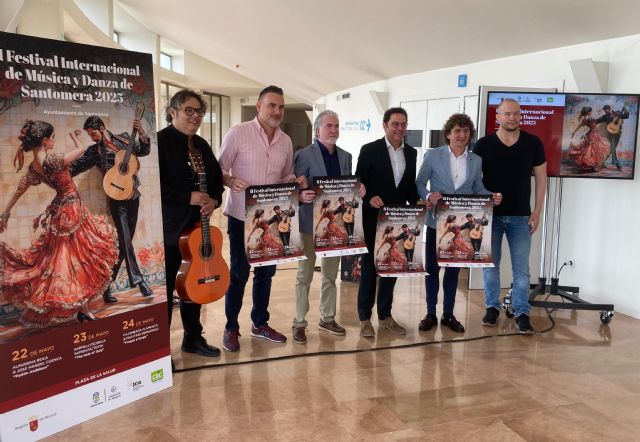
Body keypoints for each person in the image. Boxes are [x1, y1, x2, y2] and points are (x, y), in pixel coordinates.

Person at [0, 121, 118, 327]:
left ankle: (83, 309)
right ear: (45, 140)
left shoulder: (34, 167)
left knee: (73, 260)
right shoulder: (53, 160)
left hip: (61, 211)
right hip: (72, 210)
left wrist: (6, 212)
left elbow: (20, 189)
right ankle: (83, 310)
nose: (54, 140)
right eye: (53, 137)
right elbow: (82, 149)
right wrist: (74, 138)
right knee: (77, 259)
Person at [219, 85, 307, 352]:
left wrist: (295, 182)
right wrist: (229, 180)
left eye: (281, 107)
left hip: (272, 218)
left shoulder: (286, 141)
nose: (277, 111)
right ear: (259, 106)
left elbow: (285, 176)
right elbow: (219, 168)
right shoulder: (238, 133)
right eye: (272, 105)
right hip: (240, 217)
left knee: (266, 274)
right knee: (238, 274)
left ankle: (259, 324)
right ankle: (231, 328)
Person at [416, 113, 501, 333]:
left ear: (470, 135)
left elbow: (477, 188)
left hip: (461, 223)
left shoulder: (476, 160)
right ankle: (430, 313)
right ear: (448, 134)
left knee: (453, 271)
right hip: (436, 222)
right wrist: (428, 196)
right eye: (457, 131)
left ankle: (448, 314)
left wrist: (491, 196)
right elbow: (419, 182)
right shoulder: (433, 155)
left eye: (465, 131)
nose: (461, 135)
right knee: (432, 269)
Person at [158, 89, 224, 357]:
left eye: (199, 112)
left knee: (195, 285)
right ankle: (161, 352)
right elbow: (152, 185)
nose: (195, 116)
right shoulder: (159, 143)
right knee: (165, 293)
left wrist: (214, 201)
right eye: (189, 110)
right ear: (172, 112)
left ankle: (192, 338)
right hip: (169, 231)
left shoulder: (201, 145)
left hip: (198, 231)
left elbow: (217, 182)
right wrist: (187, 196)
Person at [473, 98, 546, 334]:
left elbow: (542, 179)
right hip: (489, 217)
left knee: (522, 270)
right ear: (498, 117)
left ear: (520, 116)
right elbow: (473, 180)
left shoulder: (533, 143)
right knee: (490, 267)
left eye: (516, 113)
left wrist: (537, 211)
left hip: (521, 217)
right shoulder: (483, 144)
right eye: (507, 114)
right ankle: (492, 308)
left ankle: (522, 312)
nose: (512, 118)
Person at [292, 110, 366, 343]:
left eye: (336, 126)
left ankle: (327, 318)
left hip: (335, 227)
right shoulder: (303, 155)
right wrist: (300, 194)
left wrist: (359, 188)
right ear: (317, 130)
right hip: (308, 224)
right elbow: (294, 188)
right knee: (304, 275)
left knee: (330, 275)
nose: (334, 130)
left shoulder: (345, 156)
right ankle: (299, 323)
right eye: (329, 126)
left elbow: (346, 188)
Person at [70, 114, 153, 303]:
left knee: (125, 245)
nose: (92, 138)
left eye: (93, 134)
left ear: (102, 128)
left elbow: (143, 151)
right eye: (90, 135)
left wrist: (141, 132)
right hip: (116, 200)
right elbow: (75, 167)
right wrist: (55, 169)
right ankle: (140, 282)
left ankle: (106, 287)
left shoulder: (125, 138)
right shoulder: (95, 151)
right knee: (125, 241)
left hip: (133, 196)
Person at [355, 107, 422, 338]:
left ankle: (385, 316)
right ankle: (365, 318)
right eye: (395, 124)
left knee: (391, 267)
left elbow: (409, 186)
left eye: (403, 124)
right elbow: (359, 182)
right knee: (369, 270)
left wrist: (417, 201)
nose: (399, 128)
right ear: (385, 125)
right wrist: (369, 196)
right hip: (372, 219)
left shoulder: (411, 153)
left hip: (397, 219)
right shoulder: (369, 150)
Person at [568, 106, 610, 171]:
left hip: (591, 134)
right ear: (588, 112)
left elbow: (579, 126)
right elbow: (597, 120)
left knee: (591, 150)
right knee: (594, 150)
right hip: (594, 134)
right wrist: (600, 114)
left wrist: (574, 132)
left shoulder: (584, 120)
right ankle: (594, 167)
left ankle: (592, 166)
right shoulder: (590, 118)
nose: (591, 112)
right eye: (591, 111)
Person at [596, 103, 629, 169]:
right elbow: (597, 121)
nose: (605, 112)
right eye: (604, 111)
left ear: (609, 109)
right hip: (610, 133)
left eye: (606, 111)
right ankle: (616, 163)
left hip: (618, 133)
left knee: (613, 148)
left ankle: (603, 161)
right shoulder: (605, 116)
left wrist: (625, 109)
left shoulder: (617, 113)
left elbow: (626, 116)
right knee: (613, 146)